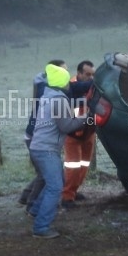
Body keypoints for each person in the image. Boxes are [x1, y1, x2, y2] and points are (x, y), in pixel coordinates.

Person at [28, 64, 88, 239]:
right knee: (55, 187)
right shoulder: (59, 100)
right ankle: (41, 227)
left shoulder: (49, 96)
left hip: (38, 148)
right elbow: (67, 126)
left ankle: (35, 210)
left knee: (54, 181)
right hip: (47, 150)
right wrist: (86, 118)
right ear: (63, 83)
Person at [19, 59, 66, 211]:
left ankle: (27, 197)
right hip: (36, 136)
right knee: (45, 176)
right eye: (64, 71)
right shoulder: (47, 88)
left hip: (35, 135)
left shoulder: (44, 86)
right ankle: (32, 205)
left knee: (46, 174)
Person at [61, 60, 96, 208]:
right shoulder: (70, 87)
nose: (90, 77)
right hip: (73, 135)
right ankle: (66, 197)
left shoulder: (94, 87)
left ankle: (74, 191)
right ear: (79, 73)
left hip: (89, 133)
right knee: (73, 167)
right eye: (87, 74)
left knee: (84, 165)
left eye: (92, 75)